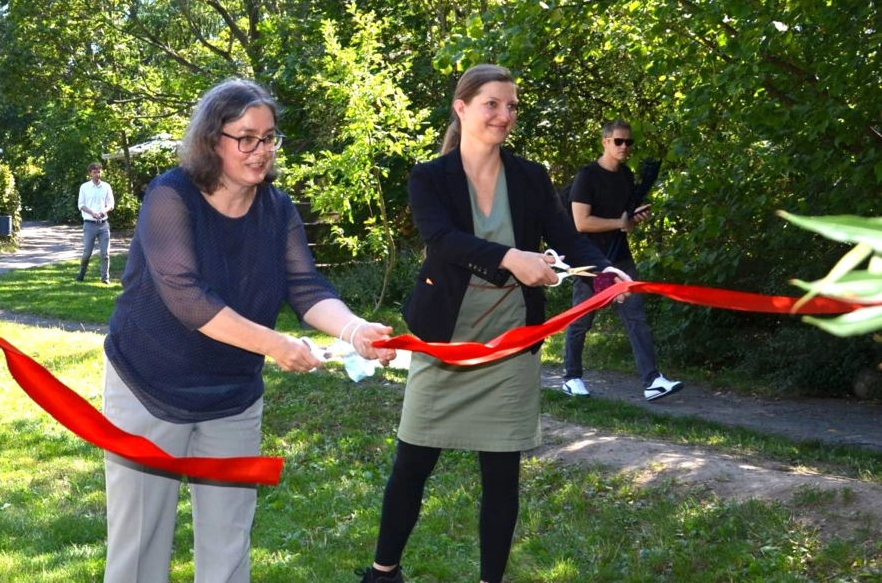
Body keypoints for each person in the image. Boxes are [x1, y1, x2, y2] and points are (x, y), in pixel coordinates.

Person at [101, 78, 396, 583]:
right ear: (212, 139)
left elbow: (305, 286)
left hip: (233, 396)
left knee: (228, 545)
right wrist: (276, 345)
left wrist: (354, 330)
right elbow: (186, 296)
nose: (260, 151)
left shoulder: (277, 209)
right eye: (247, 138)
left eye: (269, 138)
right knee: (140, 546)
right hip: (149, 385)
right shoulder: (170, 195)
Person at [359, 65, 631, 583]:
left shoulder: (530, 176)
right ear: (461, 109)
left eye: (511, 107)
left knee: (502, 474)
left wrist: (602, 268)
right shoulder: (430, 178)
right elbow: (443, 240)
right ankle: (383, 571)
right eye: (492, 104)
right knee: (413, 462)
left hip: (510, 341)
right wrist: (510, 256)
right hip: (446, 341)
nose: (504, 115)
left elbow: (565, 236)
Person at [562, 119, 682, 402]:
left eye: (629, 142)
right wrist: (620, 221)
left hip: (619, 256)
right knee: (582, 318)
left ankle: (652, 381)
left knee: (636, 316)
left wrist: (633, 220)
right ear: (605, 141)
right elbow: (581, 222)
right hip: (591, 259)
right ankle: (571, 377)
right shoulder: (587, 176)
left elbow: (623, 221)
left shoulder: (627, 176)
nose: (624, 146)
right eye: (619, 141)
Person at [76, 162, 115, 284]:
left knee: (105, 253)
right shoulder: (84, 187)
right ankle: (82, 272)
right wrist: (92, 213)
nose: (97, 174)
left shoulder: (106, 187)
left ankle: (105, 277)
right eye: (95, 172)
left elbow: (111, 204)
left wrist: (103, 212)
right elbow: (81, 205)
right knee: (87, 252)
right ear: (90, 174)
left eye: (99, 172)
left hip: (103, 224)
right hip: (89, 223)